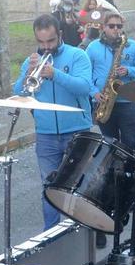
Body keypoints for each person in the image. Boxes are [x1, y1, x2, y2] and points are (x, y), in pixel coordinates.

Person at [14, 12, 93, 231]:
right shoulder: (32, 61)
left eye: (50, 41)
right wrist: (27, 74)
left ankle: (85, 232)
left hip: (77, 131)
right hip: (46, 134)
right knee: (49, 188)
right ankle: (49, 235)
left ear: (59, 34)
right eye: (41, 42)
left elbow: (84, 87)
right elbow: (18, 93)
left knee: (78, 188)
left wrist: (55, 74)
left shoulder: (78, 56)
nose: (46, 47)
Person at [86, 11, 135, 152]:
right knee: (109, 144)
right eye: (112, 26)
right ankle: (113, 171)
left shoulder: (132, 46)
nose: (116, 29)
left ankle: (129, 172)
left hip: (126, 102)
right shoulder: (93, 47)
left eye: (119, 26)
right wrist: (94, 92)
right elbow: (85, 74)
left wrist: (129, 71)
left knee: (130, 143)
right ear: (103, 27)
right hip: (103, 102)